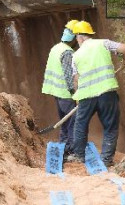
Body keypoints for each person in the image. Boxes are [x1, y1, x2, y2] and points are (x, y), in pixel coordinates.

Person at [68, 21, 125, 167]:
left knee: (80, 125)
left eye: (76, 37)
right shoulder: (104, 43)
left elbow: (76, 80)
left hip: (86, 96)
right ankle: (106, 159)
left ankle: (79, 156)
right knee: (110, 126)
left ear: (80, 37)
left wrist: (77, 97)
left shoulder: (75, 56)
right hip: (106, 92)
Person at [41, 20, 79, 156]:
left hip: (55, 92)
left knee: (64, 120)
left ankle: (64, 146)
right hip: (65, 93)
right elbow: (70, 77)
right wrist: (77, 94)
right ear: (74, 37)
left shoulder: (55, 48)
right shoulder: (68, 52)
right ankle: (74, 151)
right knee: (72, 122)